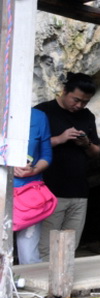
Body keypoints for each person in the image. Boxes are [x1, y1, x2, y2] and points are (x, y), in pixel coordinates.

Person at [35, 72, 100, 261]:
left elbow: (96, 151)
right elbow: (30, 146)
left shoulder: (87, 116)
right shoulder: (43, 111)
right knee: (46, 248)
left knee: (70, 246)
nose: (79, 105)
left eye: (85, 102)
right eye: (76, 100)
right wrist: (59, 139)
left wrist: (86, 143)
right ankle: (43, 280)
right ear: (64, 91)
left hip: (79, 192)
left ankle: (64, 279)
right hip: (49, 191)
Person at [14, 108, 53, 264]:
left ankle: (29, 280)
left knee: (29, 254)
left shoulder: (38, 117)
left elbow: (46, 155)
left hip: (29, 194)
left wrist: (34, 170)